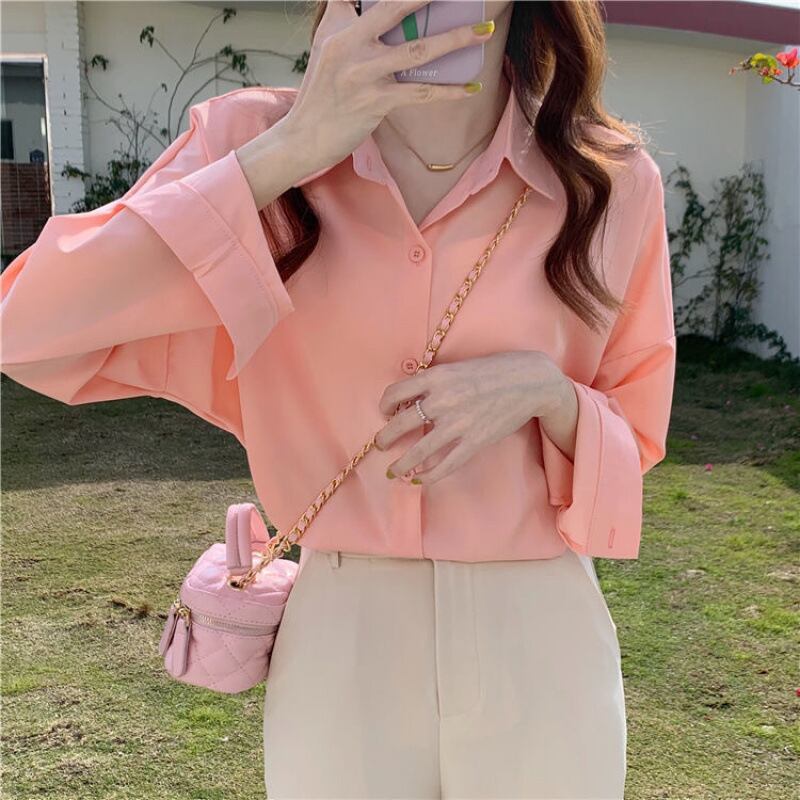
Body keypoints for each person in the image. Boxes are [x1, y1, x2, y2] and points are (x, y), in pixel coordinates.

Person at [0, 1, 677, 797]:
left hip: (541, 635)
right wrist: (286, 153)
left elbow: (635, 435)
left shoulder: (609, 178)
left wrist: (547, 394)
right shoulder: (252, 140)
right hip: (340, 634)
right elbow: (25, 328)